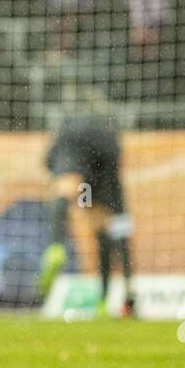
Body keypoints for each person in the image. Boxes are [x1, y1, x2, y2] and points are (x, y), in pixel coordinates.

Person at [37, 117, 134, 316]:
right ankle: (117, 298)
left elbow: (49, 163)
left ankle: (56, 246)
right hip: (100, 173)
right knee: (111, 235)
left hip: (68, 149)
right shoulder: (109, 145)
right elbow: (112, 171)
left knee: (65, 190)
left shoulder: (65, 135)